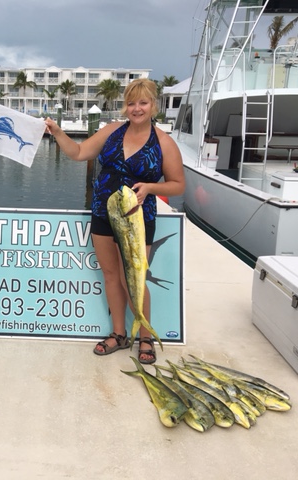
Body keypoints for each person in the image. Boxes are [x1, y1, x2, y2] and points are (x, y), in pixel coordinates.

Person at [44, 78, 185, 363]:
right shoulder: (110, 131)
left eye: (143, 102)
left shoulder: (164, 143)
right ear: (125, 107)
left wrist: (150, 188)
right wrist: (58, 132)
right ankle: (119, 333)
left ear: (153, 105)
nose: (137, 109)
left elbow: (178, 184)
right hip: (103, 213)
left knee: (132, 277)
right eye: (131, 103)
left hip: (137, 220)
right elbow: (80, 152)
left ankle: (145, 336)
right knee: (110, 275)